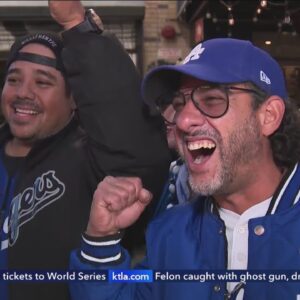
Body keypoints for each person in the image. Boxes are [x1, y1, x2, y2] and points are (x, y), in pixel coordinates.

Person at [69, 38, 300, 300]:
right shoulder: (170, 232)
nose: (183, 119)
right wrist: (101, 241)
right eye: (179, 105)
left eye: (212, 99)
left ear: (268, 116)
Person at [0, 1, 170, 299]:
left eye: (43, 82)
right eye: (13, 80)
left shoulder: (90, 161)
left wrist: (79, 27)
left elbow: (133, 141)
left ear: (74, 100)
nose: (23, 93)